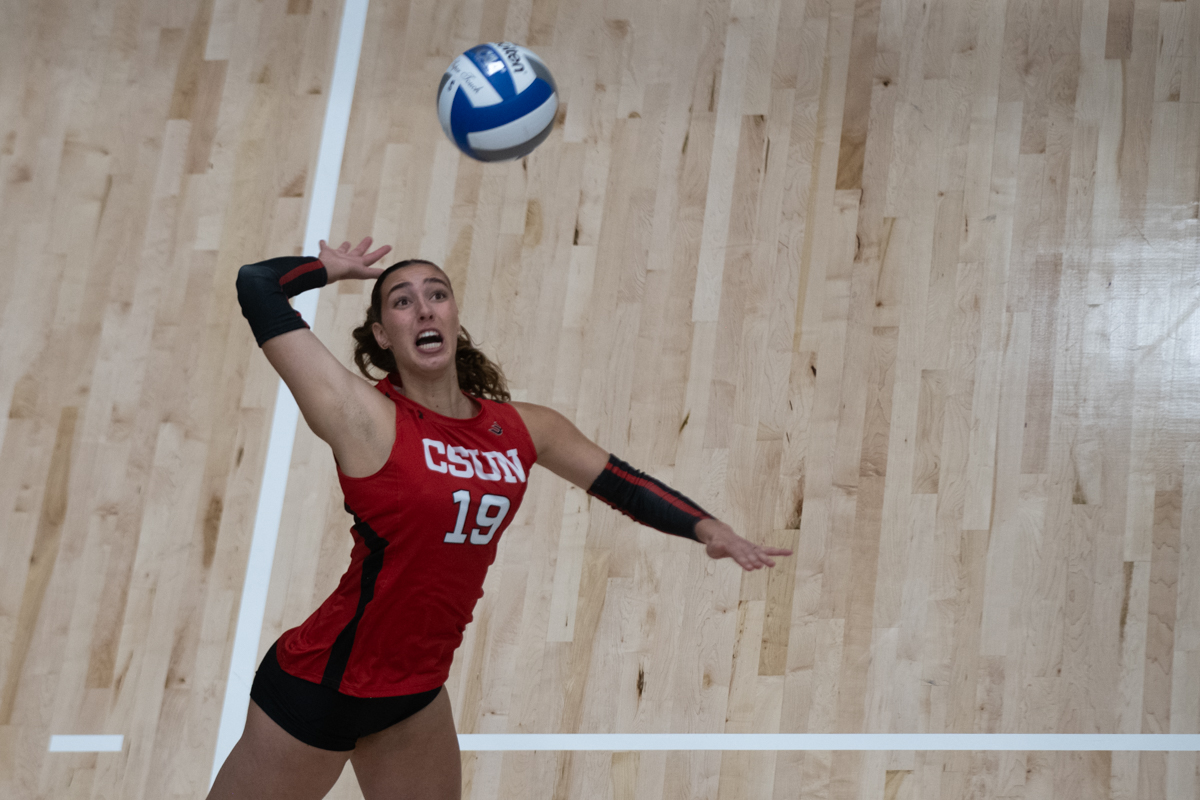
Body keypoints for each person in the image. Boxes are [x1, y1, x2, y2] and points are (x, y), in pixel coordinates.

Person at [209, 237, 793, 800]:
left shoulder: (519, 429)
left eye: (436, 294)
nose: (422, 308)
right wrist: (327, 269)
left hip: (414, 694)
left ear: (455, 319)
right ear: (383, 335)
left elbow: (622, 483)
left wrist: (707, 527)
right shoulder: (361, 415)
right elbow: (257, 285)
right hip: (321, 686)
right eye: (402, 300)